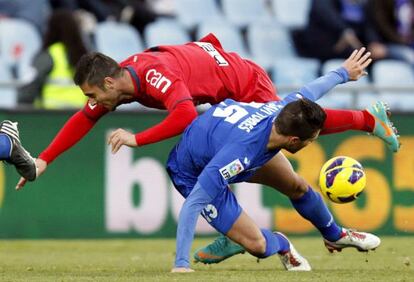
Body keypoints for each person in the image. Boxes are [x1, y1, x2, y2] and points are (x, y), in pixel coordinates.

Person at [167, 48, 378, 272]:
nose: (311, 143)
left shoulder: (283, 110)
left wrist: (344, 73)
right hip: (192, 170)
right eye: (310, 140)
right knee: (256, 245)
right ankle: (281, 243)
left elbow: (310, 91)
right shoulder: (239, 155)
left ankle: (334, 235)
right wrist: (181, 263)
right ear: (295, 140)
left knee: (296, 185)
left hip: (226, 141)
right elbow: (193, 204)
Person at [18, 9, 89, 109]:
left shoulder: (48, 55)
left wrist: (21, 110)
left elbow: (30, 86)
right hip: (80, 116)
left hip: (50, 117)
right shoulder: (86, 57)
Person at [293, 0, 387, 61]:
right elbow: (328, 16)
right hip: (326, 45)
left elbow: (368, 23)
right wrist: (345, 31)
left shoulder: (363, 4)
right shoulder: (323, 3)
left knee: (383, 55)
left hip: (356, 47)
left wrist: (373, 41)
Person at [368, 0, 414, 67]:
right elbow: (382, 26)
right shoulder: (379, 3)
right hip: (388, 45)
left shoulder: (408, 3)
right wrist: (403, 41)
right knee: (409, 56)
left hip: (407, 44)